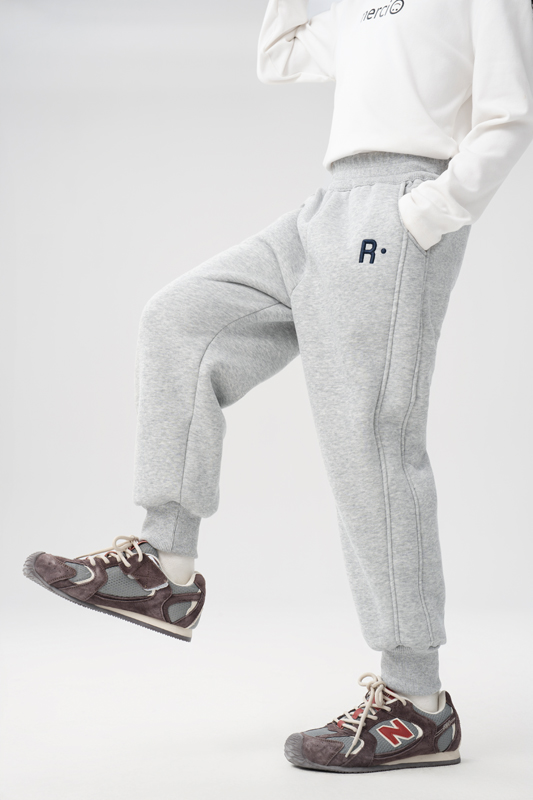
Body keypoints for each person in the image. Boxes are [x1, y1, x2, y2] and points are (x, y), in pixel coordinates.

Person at [23, 0, 533, 774]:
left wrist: (433, 210)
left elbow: (507, 112)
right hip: (324, 211)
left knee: (369, 442)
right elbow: (281, 54)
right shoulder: (358, 10)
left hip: (397, 209)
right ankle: (164, 567)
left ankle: (417, 702)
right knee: (180, 322)